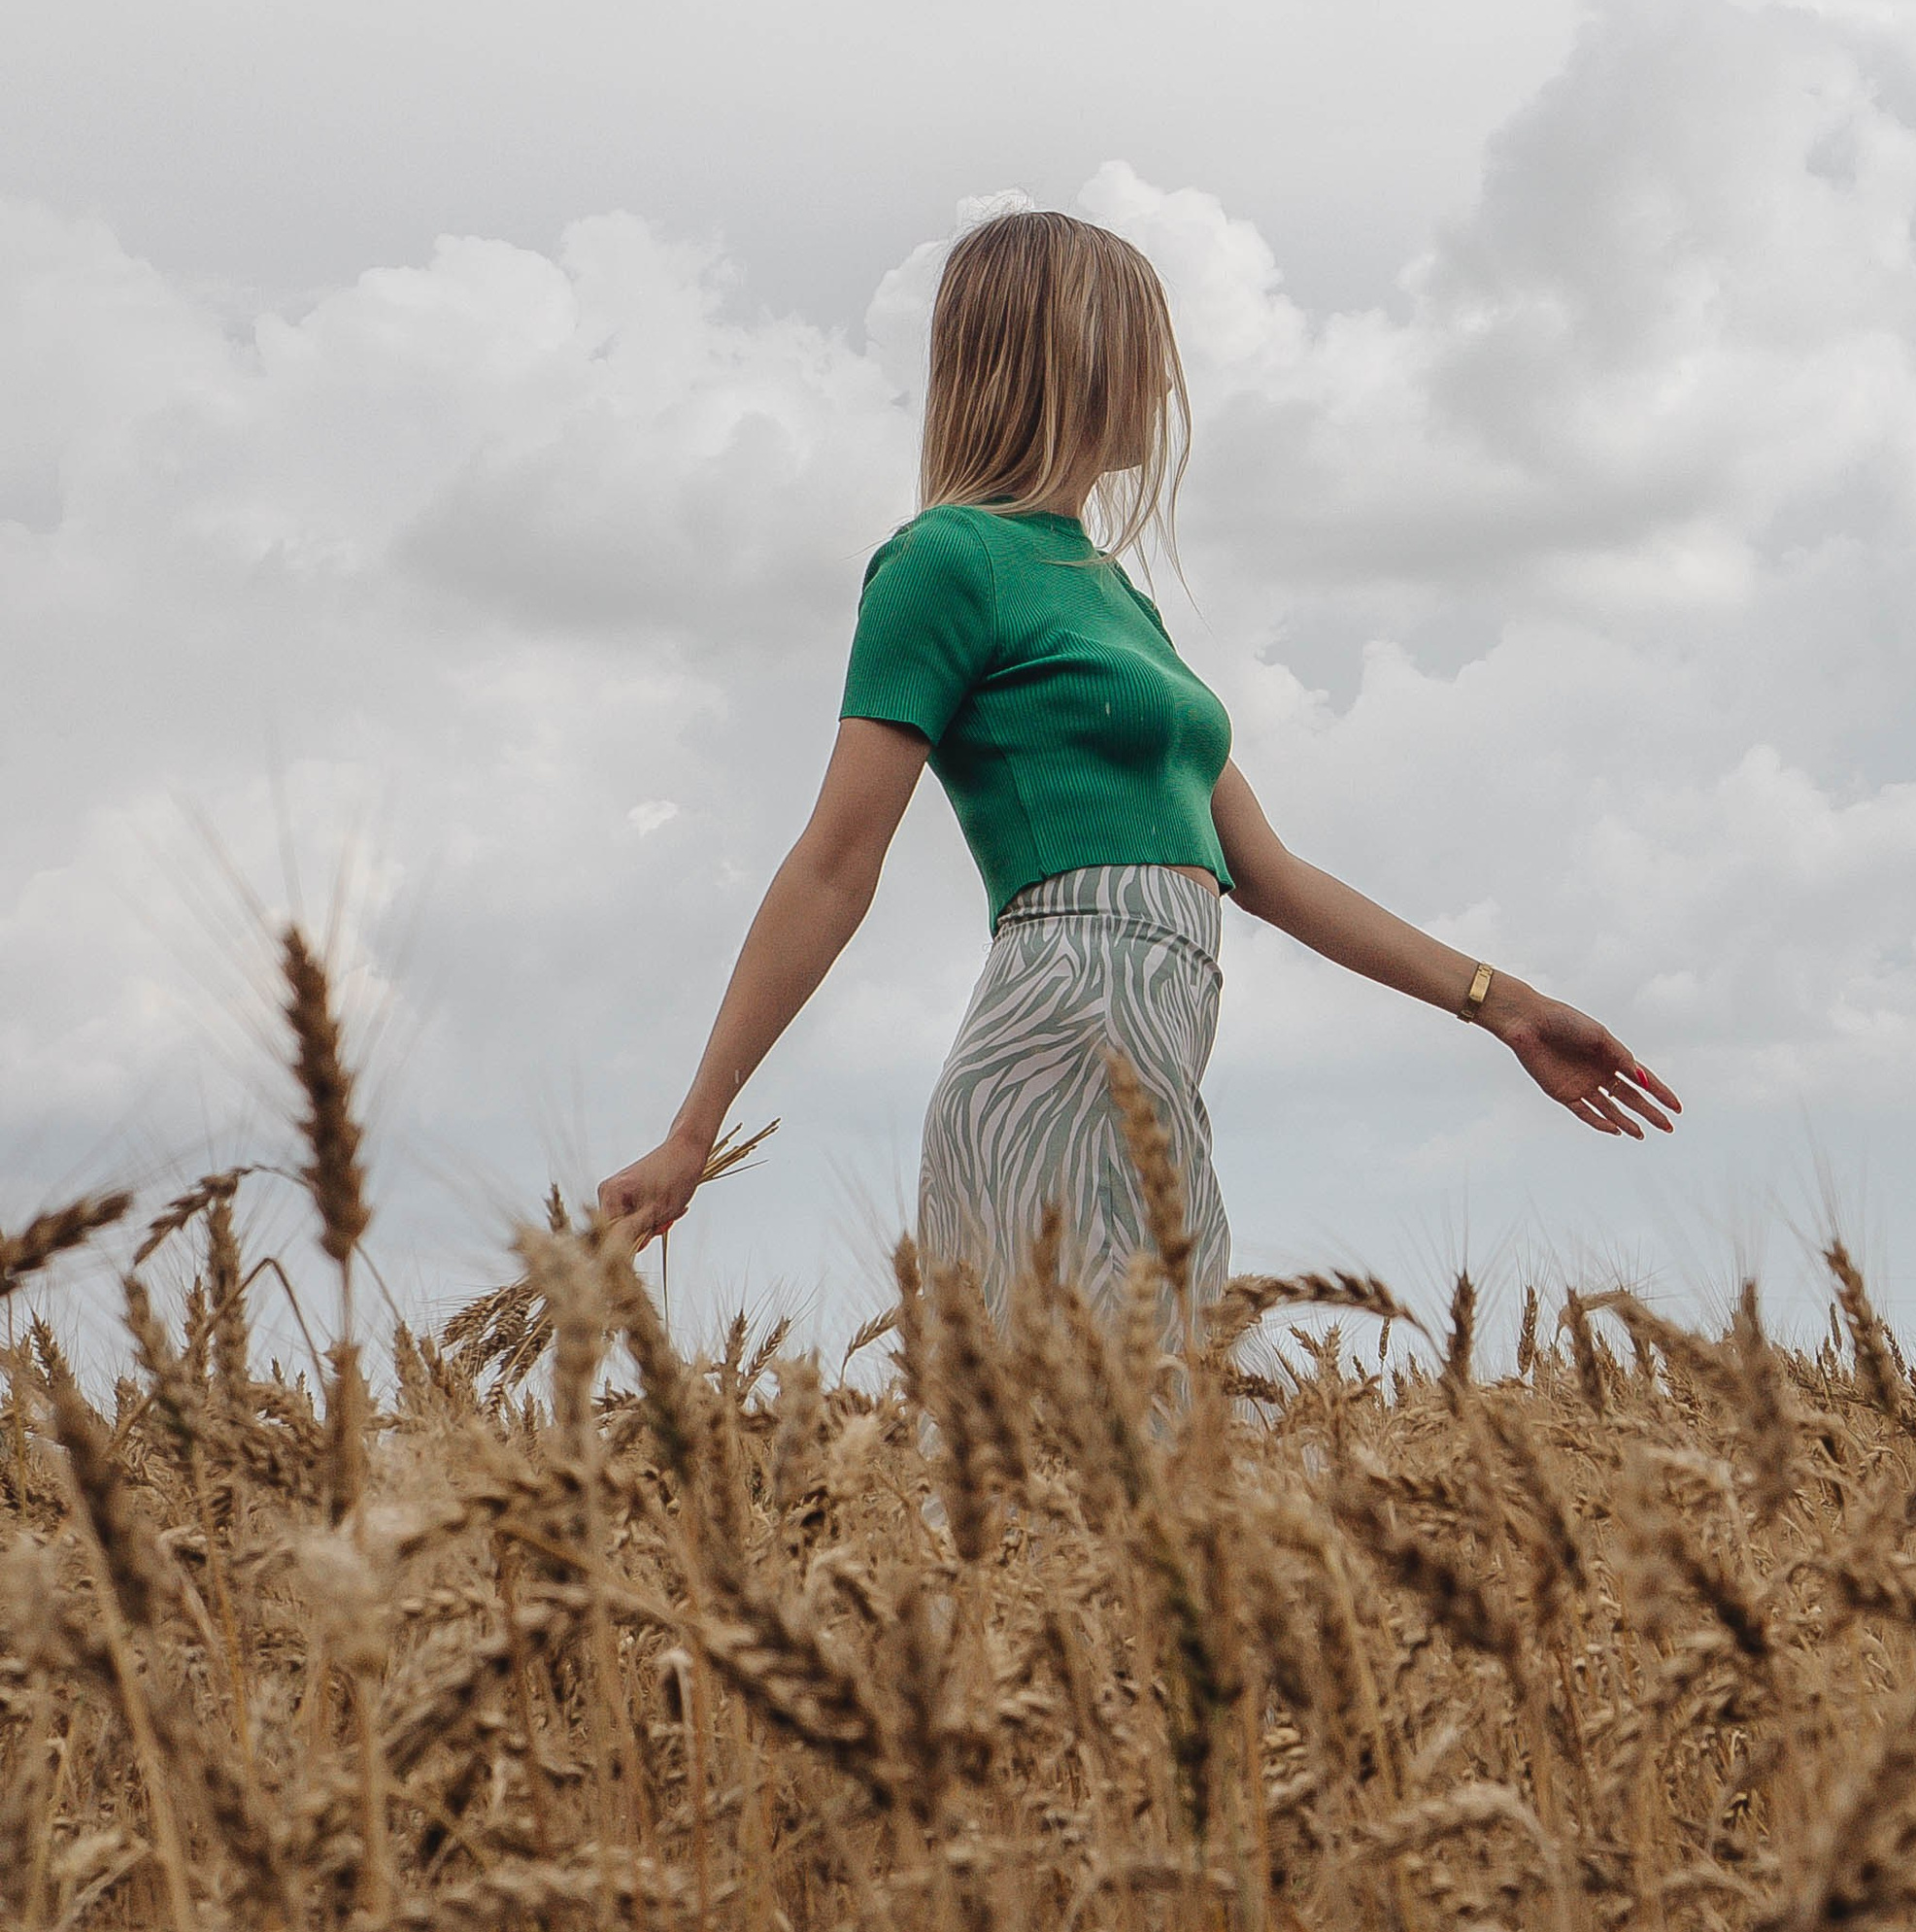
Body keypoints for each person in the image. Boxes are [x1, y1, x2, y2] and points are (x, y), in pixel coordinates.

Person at [595, 208, 1678, 1313]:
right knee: (1095, 1399)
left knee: (1156, 1399)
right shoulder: (945, 560)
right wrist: (693, 1132)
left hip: (1153, 1059)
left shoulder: (1114, 597)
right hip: (1060, 1036)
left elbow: (1269, 872)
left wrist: (1504, 1005)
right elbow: (834, 864)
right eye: (1144, 348)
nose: (1164, 384)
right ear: (1070, 355)